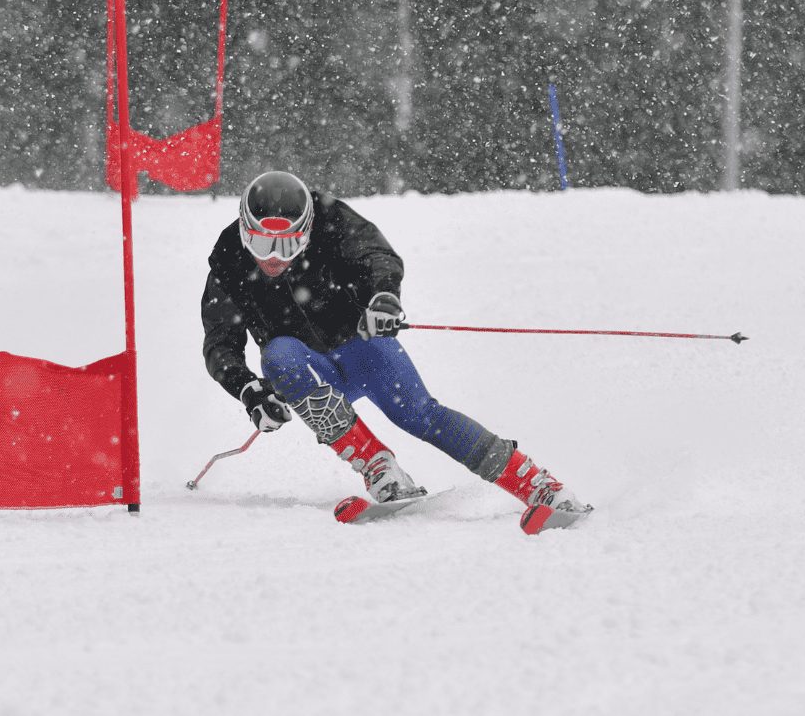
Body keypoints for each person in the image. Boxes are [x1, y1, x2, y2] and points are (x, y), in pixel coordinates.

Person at [201, 170, 591, 532]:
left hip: (362, 348)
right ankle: (379, 467)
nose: (274, 257)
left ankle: (536, 484)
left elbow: (376, 255)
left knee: (419, 415)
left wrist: (383, 298)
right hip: (310, 372)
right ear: (244, 230)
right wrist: (250, 391)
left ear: (305, 231)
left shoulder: (328, 217)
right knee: (278, 354)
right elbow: (220, 343)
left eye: (287, 245)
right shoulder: (228, 261)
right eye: (261, 243)